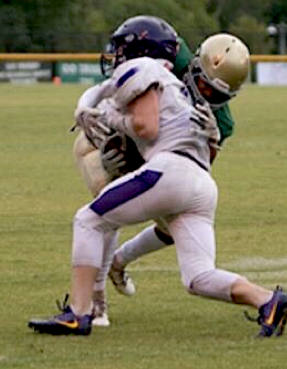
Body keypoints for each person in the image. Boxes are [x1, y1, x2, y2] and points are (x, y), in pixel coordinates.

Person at [28, 15, 287, 338]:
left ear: (138, 50)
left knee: (89, 219)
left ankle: (80, 313)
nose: (116, 57)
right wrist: (84, 108)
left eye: (121, 50)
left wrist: (108, 116)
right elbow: (101, 92)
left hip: (168, 172)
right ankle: (269, 300)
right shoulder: (177, 88)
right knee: (198, 277)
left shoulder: (143, 68)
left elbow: (145, 126)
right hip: (201, 186)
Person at [72, 29, 251, 327]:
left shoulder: (221, 120)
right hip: (133, 131)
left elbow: (199, 163)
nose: (205, 94)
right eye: (203, 86)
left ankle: (119, 262)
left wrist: (213, 140)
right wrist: (108, 141)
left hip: (169, 156)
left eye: (216, 95)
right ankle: (96, 300)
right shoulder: (171, 57)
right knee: (103, 196)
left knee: (174, 222)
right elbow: (122, 87)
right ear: (192, 64)